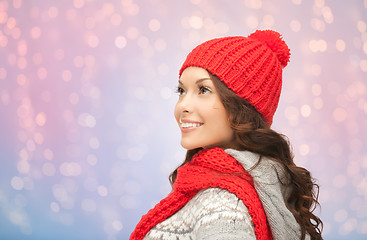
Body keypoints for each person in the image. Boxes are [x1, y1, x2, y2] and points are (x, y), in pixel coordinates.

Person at [130, 30, 323, 240]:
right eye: (181, 90)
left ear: (243, 108)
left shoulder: (224, 206)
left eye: (203, 90)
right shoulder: (250, 183)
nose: (183, 105)